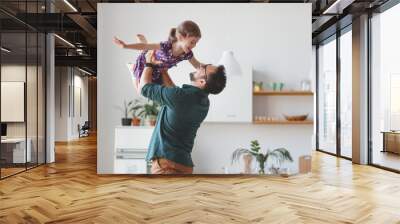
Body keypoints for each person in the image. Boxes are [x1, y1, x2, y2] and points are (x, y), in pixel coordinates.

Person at [139, 50, 226, 174]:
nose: (200, 66)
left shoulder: (181, 97)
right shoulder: (203, 102)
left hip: (167, 167)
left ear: (202, 82)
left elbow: (144, 88)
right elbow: (175, 96)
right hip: (182, 165)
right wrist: (163, 71)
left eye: (204, 68)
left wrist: (149, 63)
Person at [113, 20, 204, 93]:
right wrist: (126, 46)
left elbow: (197, 65)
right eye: (192, 42)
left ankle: (145, 45)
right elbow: (146, 47)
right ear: (180, 37)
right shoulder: (166, 46)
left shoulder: (187, 54)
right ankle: (132, 67)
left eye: (196, 43)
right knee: (140, 90)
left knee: (151, 90)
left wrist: (215, 70)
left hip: (158, 71)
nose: (194, 45)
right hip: (146, 63)